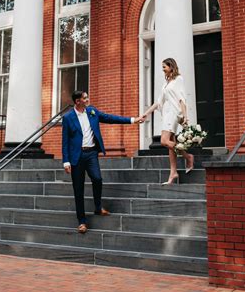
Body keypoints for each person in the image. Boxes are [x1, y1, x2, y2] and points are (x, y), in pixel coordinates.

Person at [62, 90, 144, 233]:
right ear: (77, 101)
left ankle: (98, 207)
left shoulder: (92, 111)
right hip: (77, 156)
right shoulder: (68, 117)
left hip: (91, 153)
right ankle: (81, 221)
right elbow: (65, 141)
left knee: (98, 179)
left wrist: (133, 120)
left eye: (87, 97)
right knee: (78, 189)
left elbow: (110, 118)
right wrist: (66, 161)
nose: (87, 99)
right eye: (85, 98)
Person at [142, 57, 195, 185]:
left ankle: (188, 157)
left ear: (171, 67)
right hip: (166, 114)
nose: (163, 69)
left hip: (174, 113)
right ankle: (173, 172)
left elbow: (182, 99)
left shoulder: (178, 79)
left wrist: (185, 117)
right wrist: (145, 114)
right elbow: (158, 102)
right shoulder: (166, 83)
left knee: (164, 141)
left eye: (164, 67)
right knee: (171, 144)